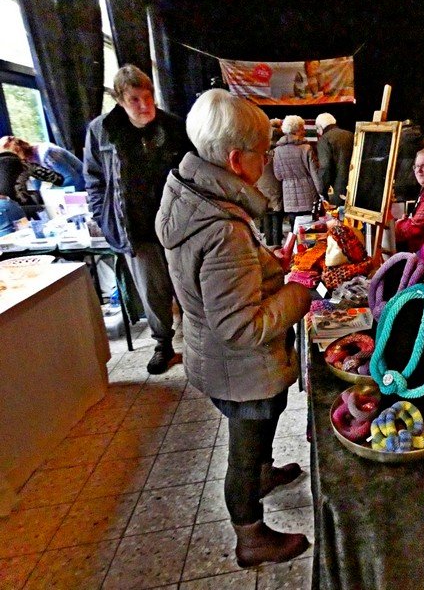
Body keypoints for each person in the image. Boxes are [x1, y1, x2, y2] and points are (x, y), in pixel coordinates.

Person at [156, 88, 311, 567]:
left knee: (262, 425)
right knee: (243, 448)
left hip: (222, 358)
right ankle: (251, 535)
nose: (268, 161)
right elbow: (242, 327)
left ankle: (263, 473)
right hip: (240, 366)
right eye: (263, 152)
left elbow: (223, 282)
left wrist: (269, 263)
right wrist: (301, 288)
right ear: (235, 159)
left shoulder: (194, 194)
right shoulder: (224, 229)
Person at [84, 64, 190, 374]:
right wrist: (104, 218)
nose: (145, 106)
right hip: (134, 227)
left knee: (188, 283)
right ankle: (163, 344)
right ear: (119, 100)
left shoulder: (173, 126)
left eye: (148, 97)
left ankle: (199, 340)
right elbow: (93, 179)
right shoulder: (101, 130)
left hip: (177, 223)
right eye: (134, 99)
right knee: (152, 290)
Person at [272, 115, 323, 231]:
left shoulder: (277, 151)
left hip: (289, 200)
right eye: (302, 128)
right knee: (310, 232)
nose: (304, 131)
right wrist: (321, 194)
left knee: (295, 231)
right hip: (308, 196)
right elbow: (315, 175)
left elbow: (278, 176)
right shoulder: (306, 148)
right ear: (296, 130)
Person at [0, 135, 85, 191]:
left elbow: (73, 179)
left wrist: (51, 191)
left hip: (83, 185)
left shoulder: (47, 152)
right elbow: (37, 182)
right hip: (70, 188)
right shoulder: (27, 160)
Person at [314, 112, 354, 207]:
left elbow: (325, 167)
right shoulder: (350, 135)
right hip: (355, 186)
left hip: (337, 190)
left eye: (317, 129)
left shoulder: (324, 139)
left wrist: (322, 191)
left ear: (320, 127)